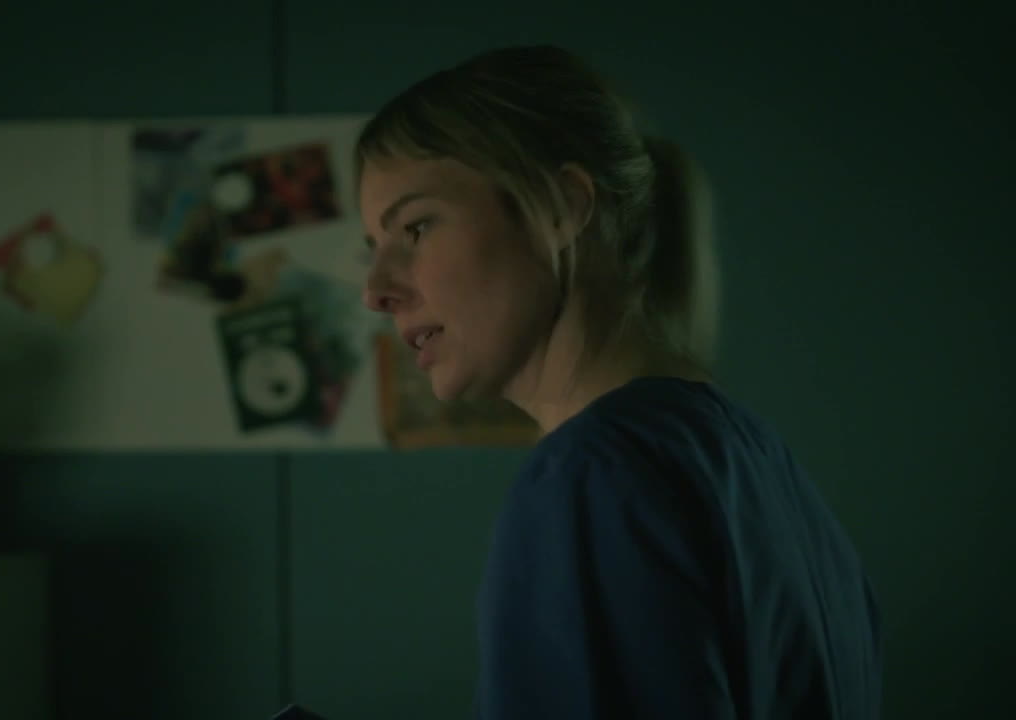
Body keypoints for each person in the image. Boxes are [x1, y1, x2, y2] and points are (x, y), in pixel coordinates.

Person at [356, 45, 882, 719]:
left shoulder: (593, 475)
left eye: (416, 227)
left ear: (562, 205)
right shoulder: (764, 467)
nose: (376, 290)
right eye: (373, 248)